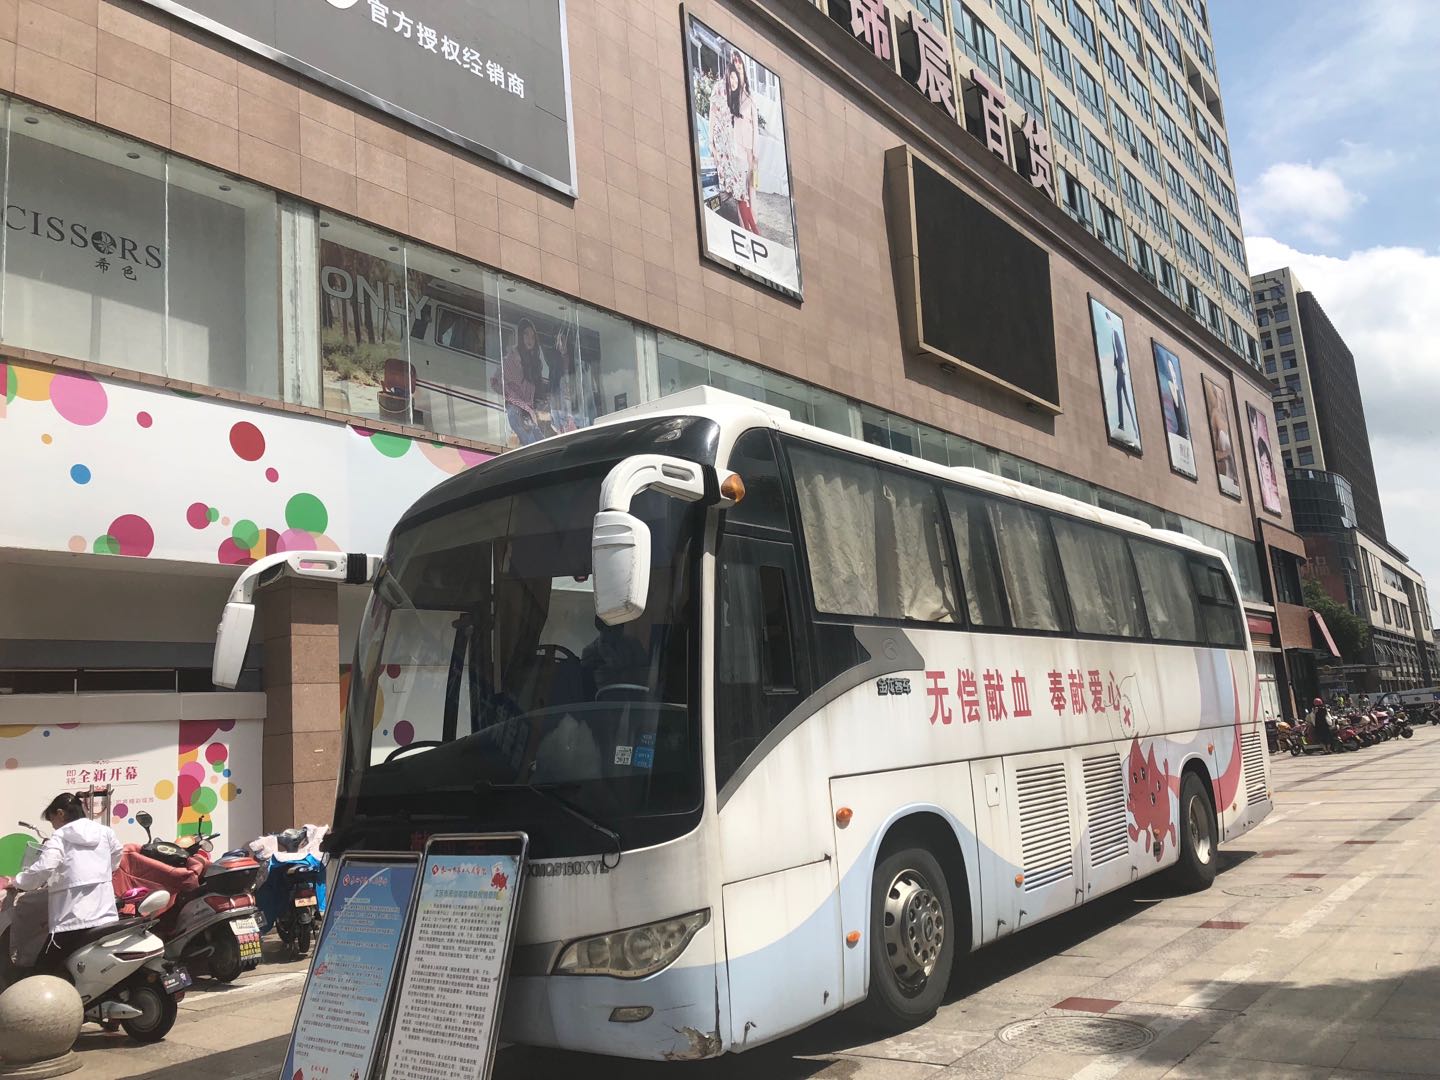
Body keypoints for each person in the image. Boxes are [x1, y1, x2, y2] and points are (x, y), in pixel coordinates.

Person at [13, 791, 124, 976]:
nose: (53, 825)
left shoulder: (60, 837)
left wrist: (18, 881)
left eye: (52, 820)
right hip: (105, 916)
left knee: (43, 972)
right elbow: (117, 855)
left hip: (70, 921)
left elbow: (44, 867)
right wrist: (102, 871)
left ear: (60, 813)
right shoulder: (105, 832)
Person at [726, 50, 760, 235]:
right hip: (737, 147)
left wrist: (756, 151)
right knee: (741, 188)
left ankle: (753, 220)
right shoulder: (732, 95)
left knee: (751, 186)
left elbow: (755, 126)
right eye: (735, 62)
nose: (738, 65)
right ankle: (743, 225)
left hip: (749, 147)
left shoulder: (750, 96)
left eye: (739, 62)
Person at [499, 318, 546, 446]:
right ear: (520, 336)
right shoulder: (512, 358)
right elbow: (500, 384)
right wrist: (527, 408)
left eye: (533, 336)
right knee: (535, 448)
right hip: (516, 411)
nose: (530, 339)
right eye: (526, 334)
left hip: (527, 414)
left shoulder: (533, 362)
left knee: (542, 444)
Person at [1111, 328, 1137, 439]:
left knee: (1122, 395)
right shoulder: (1113, 334)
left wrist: (1122, 365)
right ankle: (1130, 426)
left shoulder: (1116, 333)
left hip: (1121, 368)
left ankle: (1124, 424)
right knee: (1124, 396)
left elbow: (1120, 351)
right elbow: (1115, 352)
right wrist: (1115, 364)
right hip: (1119, 367)